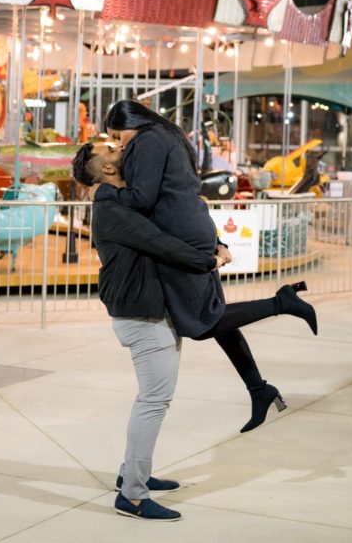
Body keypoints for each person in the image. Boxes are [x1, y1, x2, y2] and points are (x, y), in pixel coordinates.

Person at [89, 101, 318, 432]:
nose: (118, 143)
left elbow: (142, 198)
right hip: (193, 227)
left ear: (132, 124)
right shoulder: (170, 137)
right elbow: (181, 195)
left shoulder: (148, 139)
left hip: (181, 236)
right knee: (217, 316)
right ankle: (259, 389)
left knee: (201, 323)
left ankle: (282, 301)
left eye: (117, 135)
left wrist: (105, 194)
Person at [73, 140, 228, 522]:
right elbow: (160, 244)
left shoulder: (122, 202)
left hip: (147, 311)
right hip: (141, 317)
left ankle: (132, 473)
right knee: (154, 401)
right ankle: (133, 496)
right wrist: (208, 260)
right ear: (106, 169)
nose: (120, 148)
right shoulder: (110, 207)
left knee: (153, 399)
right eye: (111, 149)